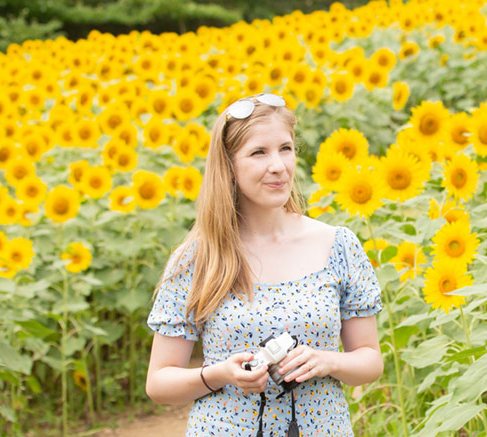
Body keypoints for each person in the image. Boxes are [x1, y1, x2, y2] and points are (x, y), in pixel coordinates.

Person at [145, 92, 384, 436]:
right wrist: (220, 374)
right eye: (259, 152)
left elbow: (370, 361)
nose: (278, 166)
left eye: (285, 149)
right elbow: (159, 383)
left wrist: (326, 360)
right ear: (228, 165)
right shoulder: (198, 258)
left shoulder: (337, 245)